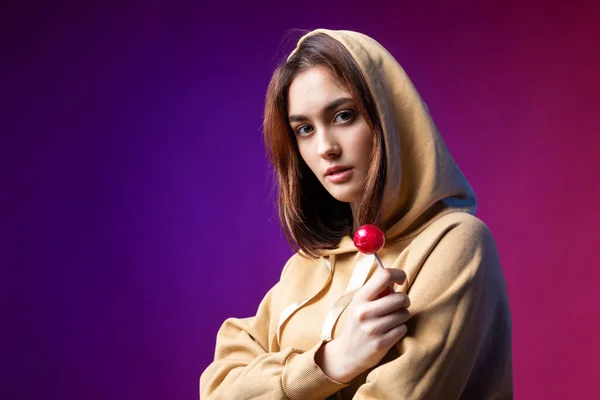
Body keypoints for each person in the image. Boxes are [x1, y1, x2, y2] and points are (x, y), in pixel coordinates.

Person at [199, 29, 513, 400]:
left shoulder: (455, 244)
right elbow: (219, 388)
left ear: (389, 116)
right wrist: (331, 363)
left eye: (344, 116)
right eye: (304, 129)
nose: (325, 148)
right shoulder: (309, 265)